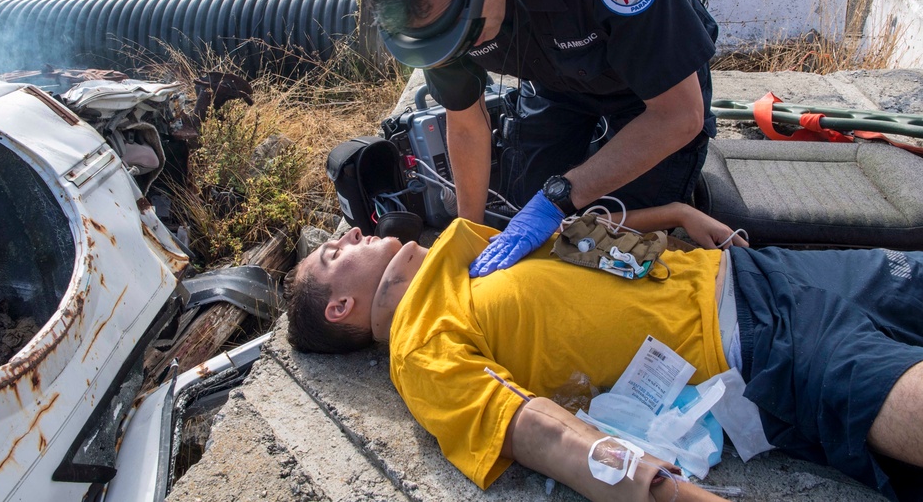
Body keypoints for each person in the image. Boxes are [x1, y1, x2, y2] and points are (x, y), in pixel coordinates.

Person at [285, 204, 923, 502]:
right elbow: (534, 429)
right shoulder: (420, 347)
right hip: (757, 350)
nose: (349, 234)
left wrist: (671, 217)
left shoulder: (453, 257)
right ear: (341, 307)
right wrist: (665, 491)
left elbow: (581, 249)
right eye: (334, 254)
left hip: (745, 273)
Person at [357, 0, 720, 278]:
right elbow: (466, 123)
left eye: (465, 29)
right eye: (443, 42)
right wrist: (470, 232)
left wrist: (560, 197)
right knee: (522, 209)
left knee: (609, 249)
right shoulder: (433, 15)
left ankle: (680, 204)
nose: (459, 47)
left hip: (648, 87)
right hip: (555, 83)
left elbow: (679, 115)